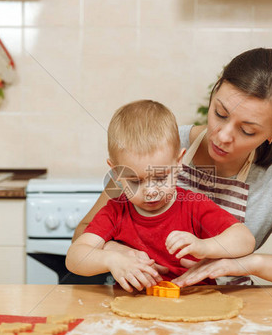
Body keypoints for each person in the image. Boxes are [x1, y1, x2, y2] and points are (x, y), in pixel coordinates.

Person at [73, 48, 272, 287]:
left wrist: (249, 263)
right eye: (220, 113)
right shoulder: (156, 149)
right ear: (215, 90)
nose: (222, 136)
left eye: (247, 130)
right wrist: (117, 253)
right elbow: (83, 235)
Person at [66, 100, 255, 292]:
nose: (151, 191)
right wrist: (111, 259)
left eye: (161, 177)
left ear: (178, 162)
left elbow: (245, 239)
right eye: (135, 181)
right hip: (134, 310)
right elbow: (74, 257)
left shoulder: (192, 206)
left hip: (195, 305)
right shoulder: (115, 212)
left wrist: (204, 246)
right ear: (116, 173)